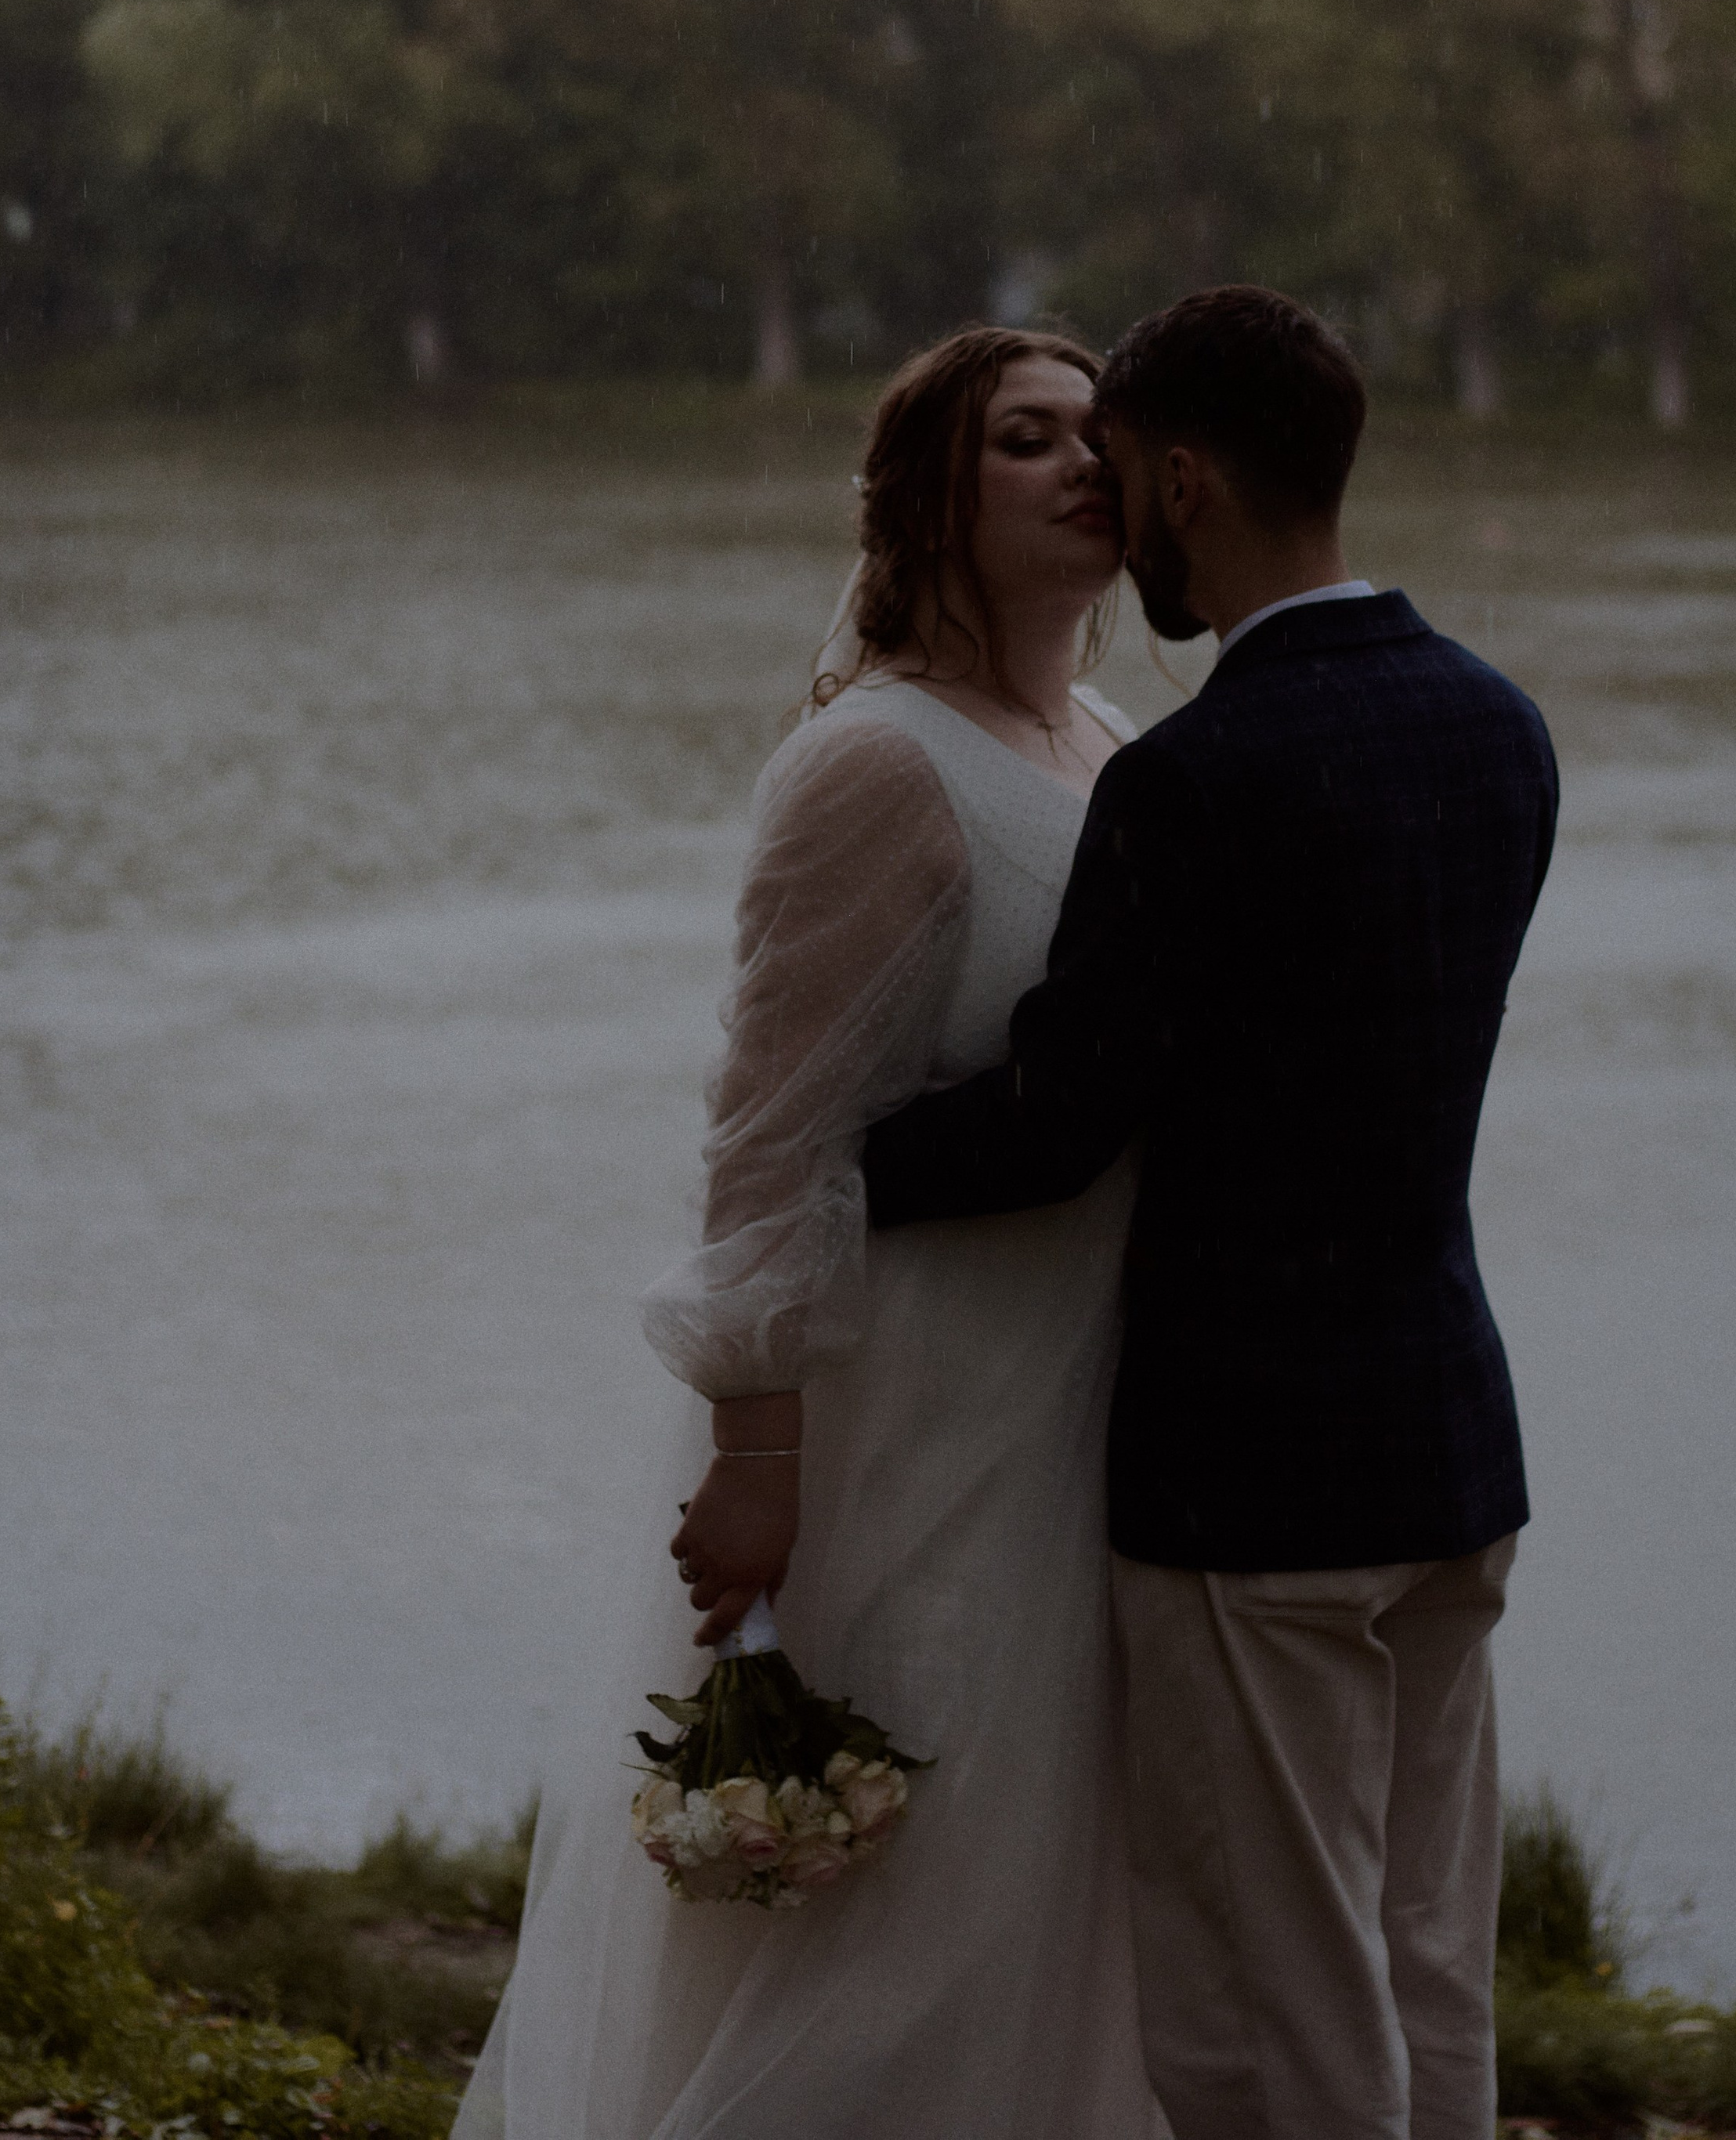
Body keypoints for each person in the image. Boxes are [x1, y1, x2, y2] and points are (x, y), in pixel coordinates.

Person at [862, 285, 1560, 2140]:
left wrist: (827, 1164)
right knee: (1422, 1968)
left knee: (1266, 2023)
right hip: (1444, 1446)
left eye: (1111, 469)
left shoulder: (1193, 777)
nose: (1106, 515)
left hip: (1251, 1488)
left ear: (1182, 483)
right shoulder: (1495, 725)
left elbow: (1052, 1127)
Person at [456, 325, 1168, 2140]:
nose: (1082, 466)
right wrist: (756, 1457)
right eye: (1025, 439)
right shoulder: (874, 763)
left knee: (1038, 1894)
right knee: (906, 1922)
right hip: (908, 1412)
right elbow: (765, 1139)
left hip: (1073, 1401)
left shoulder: (1109, 745)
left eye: (1098, 435)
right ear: (927, 496)